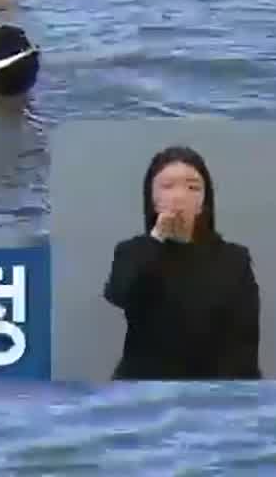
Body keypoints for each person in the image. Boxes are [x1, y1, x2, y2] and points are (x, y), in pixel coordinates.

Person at [101, 144, 262, 379]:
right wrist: (157, 238)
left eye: (193, 187)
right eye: (167, 186)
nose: (180, 196)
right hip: (143, 385)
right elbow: (119, 294)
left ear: (203, 202)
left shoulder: (234, 259)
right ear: (153, 199)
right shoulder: (132, 251)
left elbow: (245, 343)